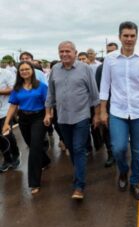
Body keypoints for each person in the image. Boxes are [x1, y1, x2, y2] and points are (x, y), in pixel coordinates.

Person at [100, 21, 139, 201]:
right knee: (118, 148)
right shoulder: (110, 59)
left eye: (132, 36)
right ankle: (123, 171)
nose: (128, 39)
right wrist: (102, 110)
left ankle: (135, 182)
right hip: (118, 111)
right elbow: (105, 86)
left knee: (137, 150)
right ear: (119, 37)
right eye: (125, 36)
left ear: (136, 37)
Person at [44, 41, 100, 200]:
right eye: (61, 51)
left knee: (78, 149)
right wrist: (48, 113)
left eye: (67, 51)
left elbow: (94, 94)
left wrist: (97, 115)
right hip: (62, 118)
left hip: (81, 116)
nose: (64, 54)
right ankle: (79, 173)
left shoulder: (85, 69)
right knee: (72, 150)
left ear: (75, 53)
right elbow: (50, 94)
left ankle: (79, 186)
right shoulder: (55, 69)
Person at [2, 61, 50, 194]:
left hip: (39, 117)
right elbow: (13, 105)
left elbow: (48, 102)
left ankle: (34, 182)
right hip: (24, 119)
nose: (24, 71)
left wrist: (47, 115)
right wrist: (7, 122)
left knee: (34, 148)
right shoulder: (17, 88)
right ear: (19, 72)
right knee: (31, 143)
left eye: (27, 69)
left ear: (32, 70)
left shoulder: (41, 86)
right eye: (21, 70)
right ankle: (45, 160)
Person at [95, 42, 119, 168]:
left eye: (113, 51)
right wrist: (100, 111)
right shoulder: (101, 68)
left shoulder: (124, 65)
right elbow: (99, 90)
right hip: (107, 105)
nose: (110, 54)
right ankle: (111, 154)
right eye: (108, 51)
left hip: (122, 105)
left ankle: (120, 151)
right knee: (107, 131)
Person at [0, 68, 20, 173]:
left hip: (5, 111)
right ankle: (7, 160)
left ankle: (15, 154)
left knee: (6, 135)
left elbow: (14, 89)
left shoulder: (6, 73)